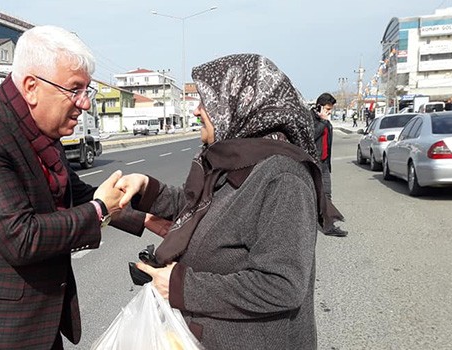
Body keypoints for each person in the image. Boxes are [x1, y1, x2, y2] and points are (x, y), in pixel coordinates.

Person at [0, 25, 147, 349]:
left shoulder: (41, 132)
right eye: (75, 89)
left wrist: (145, 214)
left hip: (33, 325)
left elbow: (75, 193)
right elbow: (21, 237)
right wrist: (101, 209)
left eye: (86, 91)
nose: (84, 104)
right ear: (32, 87)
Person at [115, 54, 343, 350]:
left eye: (206, 102)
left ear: (238, 107)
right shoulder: (233, 162)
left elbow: (282, 285)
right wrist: (148, 189)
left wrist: (181, 287)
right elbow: (198, 206)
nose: (197, 111)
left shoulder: (283, 178)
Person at [312, 93, 349, 237]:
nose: (329, 112)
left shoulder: (326, 121)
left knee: (326, 193)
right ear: (319, 107)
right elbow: (312, 135)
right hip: (312, 164)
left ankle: (328, 226)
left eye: (330, 110)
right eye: (327, 109)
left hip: (324, 164)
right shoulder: (312, 119)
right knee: (312, 195)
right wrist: (322, 121)